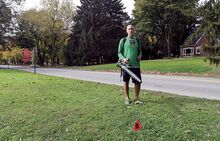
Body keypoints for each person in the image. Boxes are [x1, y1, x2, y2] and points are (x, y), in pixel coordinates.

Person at [118, 25, 143, 105]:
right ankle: (127, 98)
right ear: (126, 30)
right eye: (129, 29)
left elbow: (140, 51)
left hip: (136, 65)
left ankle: (137, 98)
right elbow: (119, 53)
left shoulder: (137, 40)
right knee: (126, 82)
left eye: (132, 28)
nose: (131, 30)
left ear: (134, 30)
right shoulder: (123, 40)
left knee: (137, 82)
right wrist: (123, 59)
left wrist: (140, 56)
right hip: (126, 67)